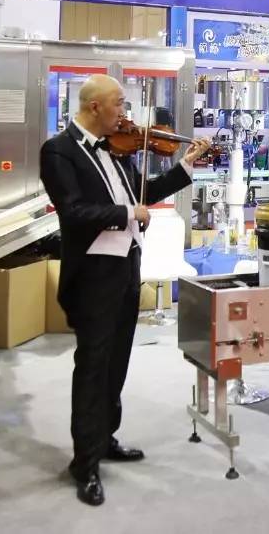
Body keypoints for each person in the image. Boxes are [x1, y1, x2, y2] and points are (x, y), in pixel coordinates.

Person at [39, 74, 210, 507]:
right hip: (92, 275)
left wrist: (186, 165)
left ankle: (105, 438)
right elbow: (74, 212)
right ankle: (85, 463)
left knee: (116, 363)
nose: (125, 113)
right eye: (118, 104)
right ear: (94, 106)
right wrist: (126, 214)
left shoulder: (118, 149)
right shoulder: (58, 151)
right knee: (92, 367)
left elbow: (143, 195)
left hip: (126, 268)